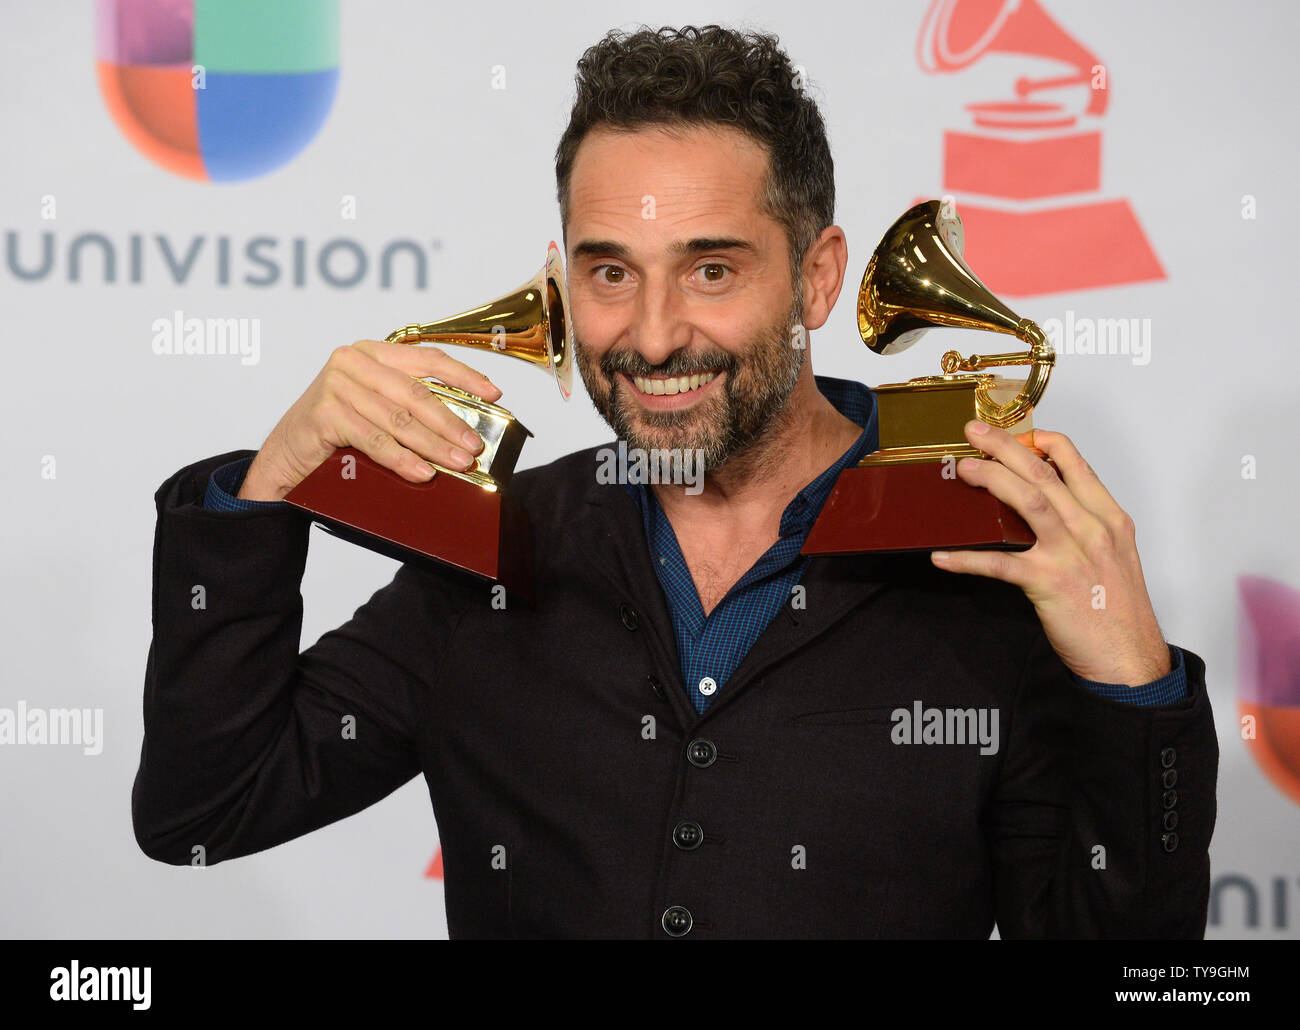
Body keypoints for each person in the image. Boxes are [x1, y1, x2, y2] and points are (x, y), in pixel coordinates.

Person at [133, 24, 1217, 938]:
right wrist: (270, 487)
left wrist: (1133, 684)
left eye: (711, 269)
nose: (651, 338)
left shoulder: (983, 558)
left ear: (817, 276)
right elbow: (205, 809)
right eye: (610, 271)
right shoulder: (497, 550)